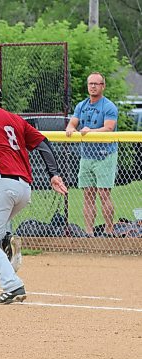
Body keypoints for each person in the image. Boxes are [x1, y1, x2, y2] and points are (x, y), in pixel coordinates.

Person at [0, 81, 67, 304]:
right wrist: (54, 174)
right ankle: (6, 240)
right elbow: (43, 143)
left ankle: (12, 287)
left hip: (0, 185)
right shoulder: (16, 119)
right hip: (23, 188)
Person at [66, 72, 118, 236]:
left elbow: (109, 128)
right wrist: (70, 128)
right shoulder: (81, 105)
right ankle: (89, 233)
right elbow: (73, 122)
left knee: (104, 193)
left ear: (103, 86)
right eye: (90, 84)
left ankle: (109, 231)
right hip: (86, 156)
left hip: (105, 155)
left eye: (97, 83)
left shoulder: (108, 106)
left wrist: (90, 131)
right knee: (88, 194)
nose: (93, 86)